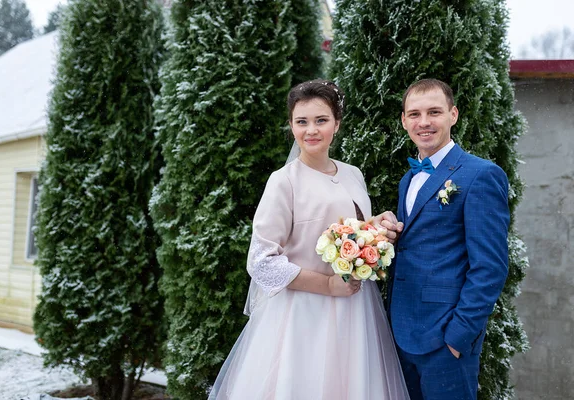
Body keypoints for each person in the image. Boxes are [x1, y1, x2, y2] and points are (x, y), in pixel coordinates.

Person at [209, 80, 410, 399]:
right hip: (303, 313)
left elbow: (346, 229)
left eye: (321, 120)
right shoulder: (283, 182)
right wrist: (328, 285)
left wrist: (376, 226)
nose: (311, 130)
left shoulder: (353, 173)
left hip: (356, 310)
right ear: (291, 126)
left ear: (337, 124)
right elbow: (261, 263)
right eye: (301, 122)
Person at [387, 78, 510, 400]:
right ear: (403, 120)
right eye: (414, 114)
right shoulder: (408, 179)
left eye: (434, 112)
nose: (423, 122)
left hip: (446, 337)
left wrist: (459, 336)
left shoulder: (480, 175)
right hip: (401, 330)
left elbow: (490, 267)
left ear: (453, 115)